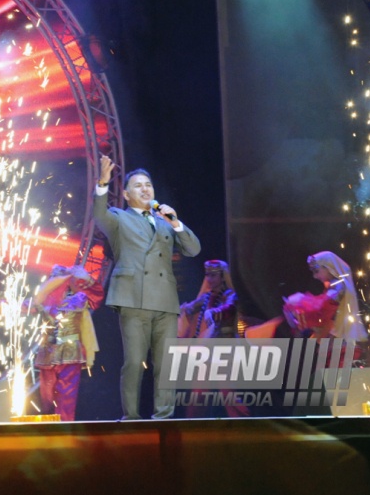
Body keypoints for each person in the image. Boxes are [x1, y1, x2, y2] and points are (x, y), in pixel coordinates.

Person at [94, 156, 201, 420]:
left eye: (148, 185)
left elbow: (193, 249)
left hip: (165, 300)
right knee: (134, 362)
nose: (145, 189)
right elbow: (98, 215)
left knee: (165, 365)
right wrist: (103, 183)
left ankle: (163, 417)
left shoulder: (165, 223)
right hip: (133, 298)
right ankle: (131, 417)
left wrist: (175, 221)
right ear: (128, 195)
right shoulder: (119, 218)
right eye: (138, 186)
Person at [31, 265, 104, 421]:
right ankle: (49, 428)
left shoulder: (78, 298)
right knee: (47, 398)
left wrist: (86, 278)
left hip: (70, 352)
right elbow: (23, 306)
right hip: (48, 353)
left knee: (66, 398)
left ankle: (64, 429)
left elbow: (96, 297)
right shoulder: (42, 300)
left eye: (59, 279)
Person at [177, 259, 249, 418]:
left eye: (213, 275)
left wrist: (213, 312)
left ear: (223, 276)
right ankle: (192, 427)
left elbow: (229, 309)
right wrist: (184, 309)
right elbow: (192, 306)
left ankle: (244, 425)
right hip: (209, 350)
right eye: (207, 275)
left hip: (226, 348)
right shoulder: (207, 296)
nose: (209, 279)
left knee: (227, 391)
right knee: (199, 392)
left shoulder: (230, 295)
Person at [283, 251, 367, 367]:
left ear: (329, 267)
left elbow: (323, 309)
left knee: (338, 381)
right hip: (334, 345)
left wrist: (299, 303)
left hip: (342, 346)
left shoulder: (340, 285)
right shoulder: (335, 286)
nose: (315, 276)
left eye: (317, 271)